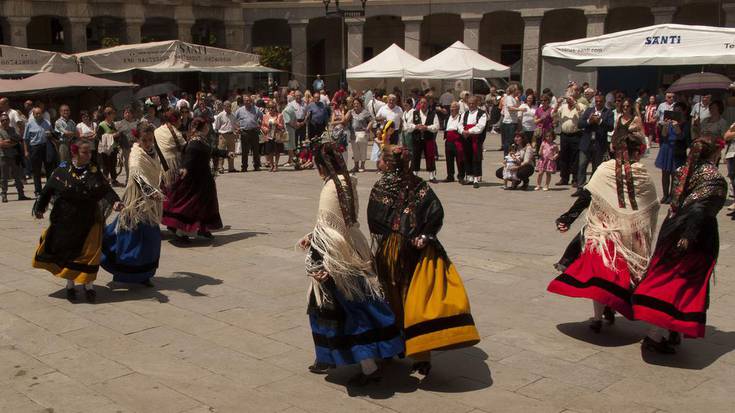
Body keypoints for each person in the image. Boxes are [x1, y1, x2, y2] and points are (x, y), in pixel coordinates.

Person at [368, 144, 480, 376]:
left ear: (388, 163)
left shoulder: (381, 186)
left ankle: (391, 348)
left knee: (391, 300)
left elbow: (374, 221)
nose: (378, 162)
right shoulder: (419, 185)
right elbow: (436, 212)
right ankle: (420, 355)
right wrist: (424, 235)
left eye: (381, 159)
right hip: (417, 251)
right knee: (413, 299)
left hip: (391, 252)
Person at [298, 141, 403, 385]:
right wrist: (312, 236)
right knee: (359, 302)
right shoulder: (346, 181)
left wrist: (320, 262)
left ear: (321, 167)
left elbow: (330, 229)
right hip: (352, 246)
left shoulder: (331, 188)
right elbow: (339, 223)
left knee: (344, 308)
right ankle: (329, 356)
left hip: (337, 256)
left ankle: (368, 366)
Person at [547, 123, 659, 333]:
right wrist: (568, 217)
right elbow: (650, 206)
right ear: (637, 152)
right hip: (621, 233)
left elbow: (587, 196)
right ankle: (603, 312)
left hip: (606, 231)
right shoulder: (637, 172)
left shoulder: (609, 169)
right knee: (614, 274)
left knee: (602, 274)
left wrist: (568, 217)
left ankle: (600, 314)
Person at [633, 138, 728, 353]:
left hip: (672, 228)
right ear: (713, 153)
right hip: (694, 238)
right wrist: (689, 235)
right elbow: (701, 211)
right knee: (677, 285)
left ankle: (669, 330)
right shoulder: (714, 179)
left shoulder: (682, 170)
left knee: (669, 278)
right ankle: (656, 335)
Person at [32, 142, 122, 303]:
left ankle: (89, 287)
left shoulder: (93, 170)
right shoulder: (63, 168)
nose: (88, 155)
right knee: (69, 253)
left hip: (89, 218)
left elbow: (105, 188)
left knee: (90, 253)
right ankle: (70, 285)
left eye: (90, 152)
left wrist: (115, 201)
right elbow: (48, 189)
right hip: (66, 218)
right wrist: (40, 208)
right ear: (75, 153)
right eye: (85, 152)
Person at [101, 124, 163, 286]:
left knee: (151, 240)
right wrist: (150, 191)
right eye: (145, 140)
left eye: (150, 140)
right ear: (138, 139)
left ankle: (145, 274)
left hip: (150, 204)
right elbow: (137, 176)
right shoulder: (135, 155)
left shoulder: (152, 152)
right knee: (130, 239)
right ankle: (123, 270)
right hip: (137, 202)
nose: (148, 143)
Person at [161, 118, 232, 243]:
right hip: (195, 181)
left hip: (204, 180)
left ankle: (203, 229)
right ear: (203, 127)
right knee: (190, 206)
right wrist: (185, 168)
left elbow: (211, 151)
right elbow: (189, 156)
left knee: (206, 206)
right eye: (207, 125)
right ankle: (181, 233)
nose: (209, 127)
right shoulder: (195, 142)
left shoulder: (201, 139)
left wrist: (225, 153)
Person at [575, 94, 614, 196]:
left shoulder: (608, 113)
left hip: (599, 144)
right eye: (596, 101)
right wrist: (589, 121)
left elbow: (610, 127)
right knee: (582, 165)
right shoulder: (589, 111)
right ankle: (580, 187)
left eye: (600, 101)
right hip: (586, 143)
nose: (598, 103)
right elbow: (580, 124)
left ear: (604, 102)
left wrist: (600, 121)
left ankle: (592, 187)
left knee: (596, 167)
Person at [655, 102, 690, 204]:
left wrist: (677, 127)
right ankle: (665, 195)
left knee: (675, 174)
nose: (676, 113)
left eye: (679, 111)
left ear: (684, 111)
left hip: (677, 149)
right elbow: (664, 135)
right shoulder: (670, 122)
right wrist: (665, 126)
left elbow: (683, 138)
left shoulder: (685, 124)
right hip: (666, 147)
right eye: (675, 111)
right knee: (665, 173)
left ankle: (672, 195)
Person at [405, 97, 440, 183]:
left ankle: (432, 176)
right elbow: (408, 126)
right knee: (415, 157)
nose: (423, 105)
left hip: (428, 139)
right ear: (419, 104)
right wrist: (416, 127)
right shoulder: (414, 113)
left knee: (430, 157)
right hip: (417, 139)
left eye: (425, 103)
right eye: (421, 103)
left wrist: (427, 127)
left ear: (428, 104)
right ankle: (414, 175)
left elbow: (436, 126)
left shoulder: (433, 114)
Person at [23, 106, 55, 197]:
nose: (38, 115)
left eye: (39, 113)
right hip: (35, 148)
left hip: (46, 147)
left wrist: (50, 134)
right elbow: (25, 139)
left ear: (42, 114)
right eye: (36, 113)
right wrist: (26, 151)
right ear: (33, 114)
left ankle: (49, 190)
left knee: (49, 169)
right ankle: (38, 191)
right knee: (36, 171)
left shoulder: (47, 123)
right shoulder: (29, 124)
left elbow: (53, 134)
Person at [554, 95, 584, 187]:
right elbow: (553, 115)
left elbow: (582, 114)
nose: (568, 100)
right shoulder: (563, 107)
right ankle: (564, 178)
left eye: (570, 98)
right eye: (567, 98)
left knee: (575, 158)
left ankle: (575, 179)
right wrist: (558, 104)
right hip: (564, 135)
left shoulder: (580, 105)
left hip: (576, 134)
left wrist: (574, 103)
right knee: (564, 157)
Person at [154, 109, 187, 189]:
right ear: (176, 120)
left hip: (160, 164)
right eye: (180, 119)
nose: (181, 121)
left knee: (165, 189)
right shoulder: (177, 134)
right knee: (175, 190)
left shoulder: (157, 130)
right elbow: (186, 149)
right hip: (173, 165)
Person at [0, 113, 29, 202]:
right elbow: (2, 144)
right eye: (2, 120)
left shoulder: (13, 129)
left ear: (9, 120)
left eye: (6, 120)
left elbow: (19, 139)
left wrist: (9, 142)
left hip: (14, 156)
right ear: (1, 122)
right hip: (3, 157)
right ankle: (4, 195)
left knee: (18, 176)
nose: (5, 121)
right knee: (4, 177)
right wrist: (12, 141)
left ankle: (21, 194)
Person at [461, 96, 488, 188]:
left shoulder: (482, 114)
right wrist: (462, 131)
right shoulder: (464, 114)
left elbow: (480, 127)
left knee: (476, 159)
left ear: (477, 103)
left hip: (476, 140)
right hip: (466, 139)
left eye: (473, 103)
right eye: (469, 103)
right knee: (467, 157)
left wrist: (469, 131)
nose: (471, 105)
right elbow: (460, 125)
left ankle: (476, 179)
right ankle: (469, 178)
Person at [96, 107, 123, 187]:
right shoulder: (102, 125)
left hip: (113, 147)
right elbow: (99, 136)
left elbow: (116, 134)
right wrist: (113, 135)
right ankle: (105, 181)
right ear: (107, 115)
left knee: (113, 165)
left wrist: (117, 136)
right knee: (106, 166)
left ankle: (114, 180)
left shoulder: (113, 124)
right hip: (105, 149)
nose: (114, 116)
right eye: (113, 114)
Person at [346, 98, 371, 172]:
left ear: (361, 104)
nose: (355, 105)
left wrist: (367, 128)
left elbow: (371, 121)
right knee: (355, 151)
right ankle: (356, 166)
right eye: (354, 104)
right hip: (353, 133)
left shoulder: (365, 112)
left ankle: (362, 166)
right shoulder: (351, 112)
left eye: (357, 103)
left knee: (363, 150)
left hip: (362, 133)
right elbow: (345, 120)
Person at [214, 100, 239, 173]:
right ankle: (220, 167)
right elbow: (217, 127)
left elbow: (235, 125)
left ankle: (231, 168)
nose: (228, 108)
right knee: (221, 152)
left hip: (231, 135)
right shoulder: (220, 115)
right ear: (224, 107)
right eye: (226, 106)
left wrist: (236, 130)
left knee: (231, 152)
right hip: (223, 135)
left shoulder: (233, 115)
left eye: (229, 106)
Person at [260, 102, 285, 172]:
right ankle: (271, 165)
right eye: (269, 108)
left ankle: (276, 165)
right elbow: (262, 126)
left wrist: (277, 124)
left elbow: (282, 126)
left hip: (277, 135)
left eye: (272, 108)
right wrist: (266, 129)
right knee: (269, 151)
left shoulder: (279, 115)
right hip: (269, 135)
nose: (271, 109)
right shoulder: (265, 116)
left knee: (277, 151)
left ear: (275, 108)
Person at [444, 102, 465, 183]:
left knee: (459, 159)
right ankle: (450, 176)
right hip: (448, 141)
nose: (452, 109)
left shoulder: (461, 117)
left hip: (457, 141)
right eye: (451, 107)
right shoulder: (448, 117)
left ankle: (461, 176)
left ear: (458, 109)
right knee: (449, 160)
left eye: (454, 108)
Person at [116, 107, 138, 184]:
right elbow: (115, 133)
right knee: (127, 163)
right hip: (126, 147)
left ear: (132, 114)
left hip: (136, 146)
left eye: (129, 112)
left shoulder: (136, 122)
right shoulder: (120, 123)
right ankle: (128, 179)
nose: (127, 114)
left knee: (136, 162)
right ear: (123, 114)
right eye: (126, 113)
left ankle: (136, 178)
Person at [500, 85, 521, 155]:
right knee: (509, 141)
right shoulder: (509, 98)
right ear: (514, 91)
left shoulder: (514, 98)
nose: (518, 91)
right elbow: (510, 108)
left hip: (513, 122)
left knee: (512, 141)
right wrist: (520, 109)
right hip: (509, 122)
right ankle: (506, 156)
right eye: (517, 90)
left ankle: (510, 155)